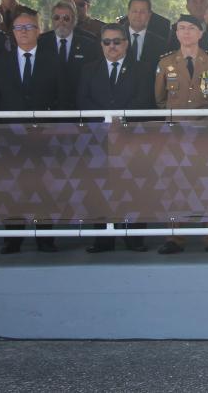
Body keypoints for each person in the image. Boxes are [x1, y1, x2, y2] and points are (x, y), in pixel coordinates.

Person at [154, 14, 208, 255]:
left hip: (206, 134)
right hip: (176, 133)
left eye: (191, 29)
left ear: (201, 33)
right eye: (181, 28)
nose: (186, 33)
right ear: (176, 33)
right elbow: (159, 98)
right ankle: (175, 238)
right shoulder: (166, 62)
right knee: (175, 185)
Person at [0, 11, 60, 254]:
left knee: (44, 186)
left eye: (30, 26)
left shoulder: (54, 61)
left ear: (39, 30)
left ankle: (44, 238)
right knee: (12, 188)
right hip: (11, 137)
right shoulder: (0, 63)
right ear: (13, 32)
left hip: (45, 135)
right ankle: (13, 238)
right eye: (19, 28)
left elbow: (63, 99)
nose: (25, 31)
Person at [78, 24, 154, 253]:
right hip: (98, 138)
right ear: (101, 45)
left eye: (117, 41)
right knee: (99, 187)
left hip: (131, 138)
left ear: (126, 43)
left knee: (134, 186)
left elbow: (144, 100)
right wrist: (104, 123)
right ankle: (103, 239)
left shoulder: (141, 69)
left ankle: (134, 239)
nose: (112, 46)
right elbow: (82, 99)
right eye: (107, 42)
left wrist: (120, 122)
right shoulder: (88, 69)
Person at [37, 0, 101, 110]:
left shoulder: (88, 45)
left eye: (66, 18)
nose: (61, 22)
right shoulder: (41, 43)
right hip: (48, 111)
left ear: (74, 20)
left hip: (79, 110)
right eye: (57, 18)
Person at [123, 0, 168, 83]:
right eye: (134, 11)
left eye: (142, 12)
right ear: (128, 13)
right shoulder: (114, 38)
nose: (138, 15)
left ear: (149, 15)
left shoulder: (160, 44)